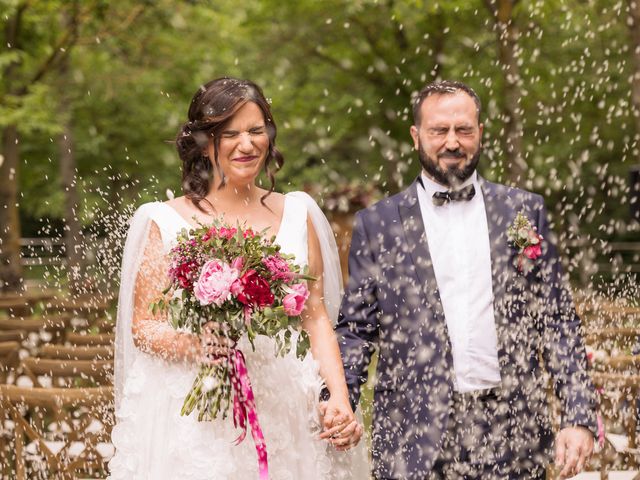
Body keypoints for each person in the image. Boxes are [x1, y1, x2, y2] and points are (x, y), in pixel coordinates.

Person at [335, 80, 598, 479]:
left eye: (464, 129)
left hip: (514, 430)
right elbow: (356, 330)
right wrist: (340, 400)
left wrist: (578, 415)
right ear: (415, 136)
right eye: (439, 130)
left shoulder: (523, 212)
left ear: (480, 132)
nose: (452, 142)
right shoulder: (377, 225)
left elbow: (557, 319)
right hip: (414, 431)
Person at [108, 77, 368, 479]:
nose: (246, 144)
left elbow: (315, 316)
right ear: (204, 142)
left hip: (285, 403)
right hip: (200, 417)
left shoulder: (298, 213)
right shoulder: (163, 220)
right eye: (229, 133)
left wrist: (339, 396)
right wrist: (197, 345)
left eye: (255, 130)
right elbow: (144, 326)